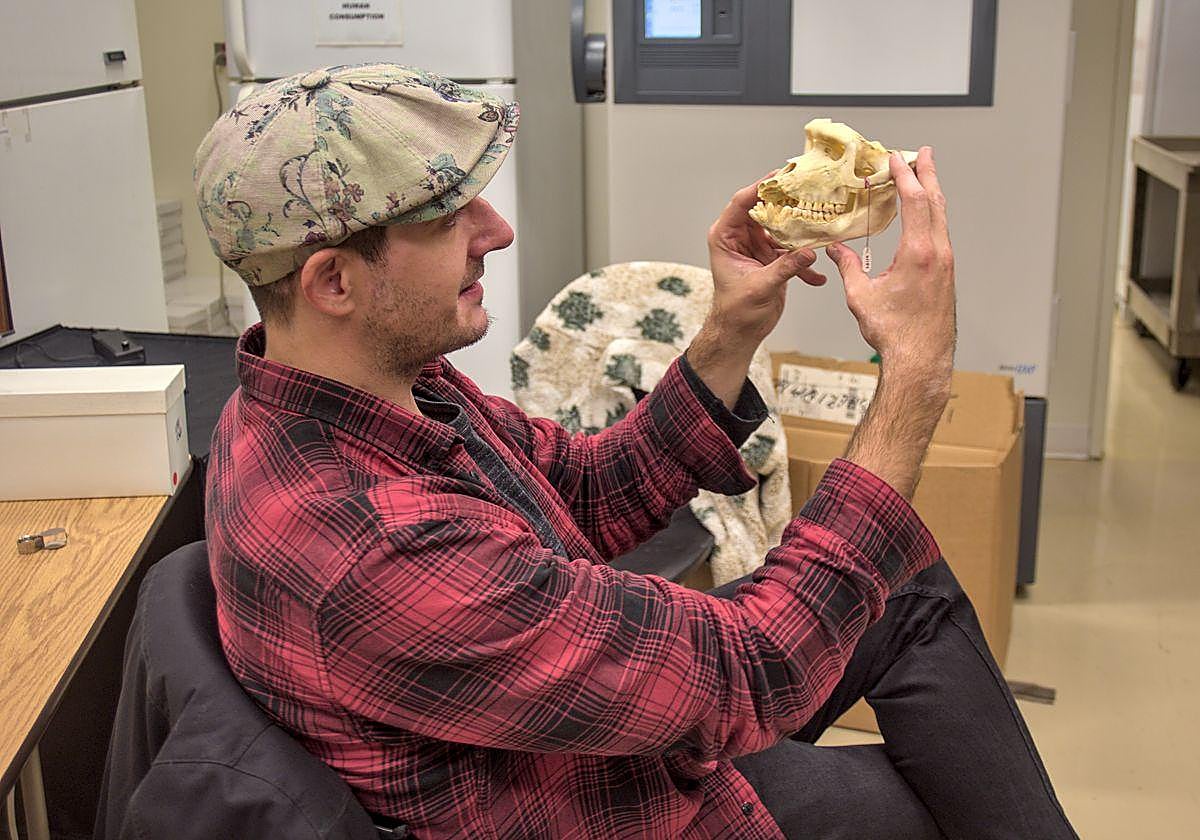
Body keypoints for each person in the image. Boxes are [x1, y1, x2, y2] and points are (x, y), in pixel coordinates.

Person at [196, 64, 1077, 839]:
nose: (496, 231)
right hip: (612, 804)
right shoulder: (367, 541)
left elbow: (581, 489)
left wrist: (730, 329)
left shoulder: (365, 388)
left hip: (579, 745)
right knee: (949, 806)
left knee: (905, 587)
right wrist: (916, 373)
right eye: (446, 217)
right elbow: (756, 669)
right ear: (334, 282)